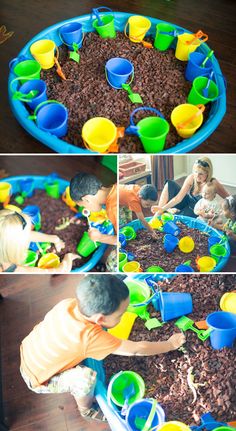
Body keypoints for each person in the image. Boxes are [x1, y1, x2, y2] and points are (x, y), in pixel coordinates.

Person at [20, 275, 185, 423]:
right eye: (120, 315)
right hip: (39, 378)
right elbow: (137, 349)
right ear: (100, 318)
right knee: (85, 377)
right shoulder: (90, 337)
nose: (122, 317)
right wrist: (170, 344)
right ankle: (86, 410)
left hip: (29, 350)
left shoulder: (68, 304)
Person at [0, 209, 79, 273]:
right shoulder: (12, 270)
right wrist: (68, 257)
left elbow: (26, 236)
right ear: (17, 246)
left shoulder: (5, 245)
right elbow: (61, 271)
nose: (29, 237)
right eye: (26, 236)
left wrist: (55, 239)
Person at [151, 157, 229, 218]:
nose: (197, 176)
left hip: (197, 210)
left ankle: (171, 211)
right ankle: (158, 214)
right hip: (187, 201)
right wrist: (162, 209)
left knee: (178, 220)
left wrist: (224, 209)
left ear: (208, 173)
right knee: (170, 184)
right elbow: (178, 198)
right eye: (195, 172)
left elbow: (229, 198)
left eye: (201, 174)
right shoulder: (191, 177)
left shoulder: (213, 183)